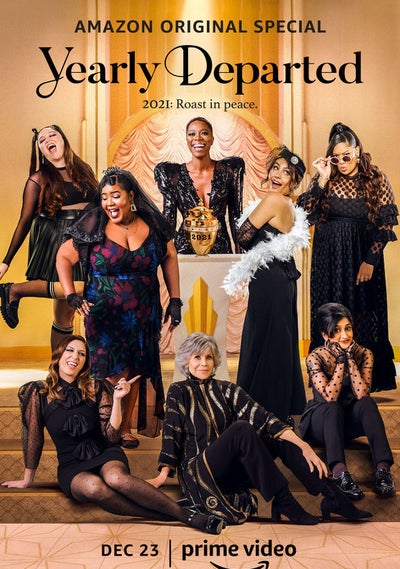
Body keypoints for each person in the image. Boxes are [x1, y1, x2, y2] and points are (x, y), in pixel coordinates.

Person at [1, 335, 225, 534]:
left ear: (85, 362)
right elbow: (34, 437)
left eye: (81, 354)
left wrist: (118, 400)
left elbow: (111, 436)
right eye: (70, 350)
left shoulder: (97, 388)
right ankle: (172, 512)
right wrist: (27, 479)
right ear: (58, 355)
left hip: (105, 452)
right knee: (95, 488)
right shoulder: (37, 392)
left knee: (115, 478)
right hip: (71, 464)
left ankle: (187, 516)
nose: (75, 357)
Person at [149, 333, 372, 525]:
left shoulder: (227, 389)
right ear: (186, 361)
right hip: (199, 471)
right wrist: (162, 475)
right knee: (241, 429)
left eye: (208, 357)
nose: (204, 363)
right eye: (197, 357)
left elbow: (263, 418)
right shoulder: (178, 391)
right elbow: (171, 433)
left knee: (277, 437)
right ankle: (283, 499)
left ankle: (332, 495)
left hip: (231, 472)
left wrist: (304, 445)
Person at [56, 167, 182, 449]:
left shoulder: (152, 224)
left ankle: (124, 428)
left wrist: (175, 299)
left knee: (134, 368)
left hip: (143, 312)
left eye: (115, 196)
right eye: (104, 197)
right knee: (106, 369)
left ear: (131, 196)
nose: (109, 203)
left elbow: (170, 256)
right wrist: (71, 295)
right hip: (103, 313)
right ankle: (101, 426)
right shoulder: (93, 224)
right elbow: (63, 257)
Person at [297, 122, 398, 391]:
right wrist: (321, 178)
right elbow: (304, 213)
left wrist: (370, 261)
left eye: (346, 156)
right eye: (336, 158)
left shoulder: (376, 178)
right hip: (328, 261)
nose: (342, 163)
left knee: (361, 315)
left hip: (360, 257)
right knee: (330, 313)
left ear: (357, 151)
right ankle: (328, 381)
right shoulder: (326, 179)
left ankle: (362, 382)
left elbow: (385, 223)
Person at [224, 145, 309, 423]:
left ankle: (259, 410)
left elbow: (242, 235)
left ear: (293, 182)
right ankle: (277, 409)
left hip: (270, 279)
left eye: (286, 173)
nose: (277, 175)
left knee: (263, 340)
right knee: (277, 341)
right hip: (280, 277)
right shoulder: (288, 204)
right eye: (275, 168)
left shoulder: (273, 200)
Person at [0, 125, 98, 350]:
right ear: (41, 150)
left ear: (63, 139)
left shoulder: (84, 169)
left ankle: (58, 369)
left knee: (65, 316)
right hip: (57, 237)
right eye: (42, 140)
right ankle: (15, 290)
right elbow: (24, 221)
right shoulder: (38, 179)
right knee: (79, 287)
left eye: (52, 135)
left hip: (87, 237)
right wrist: (6, 261)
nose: (47, 140)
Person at [299, 303, 395, 500]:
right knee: (333, 407)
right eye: (337, 330)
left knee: (367, 403)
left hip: (346, 422)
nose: (345, 335)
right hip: (321, 422)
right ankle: (339, 473)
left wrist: (350, 359)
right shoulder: (315, 357)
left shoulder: (364, 354)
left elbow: (362, 393)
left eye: (348, 328)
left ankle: (383, 470)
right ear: (325, 335)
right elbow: (330, 396)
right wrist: (340, 362)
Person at [154, 116, 244, 254]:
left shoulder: (228, 171)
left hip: (221, 251)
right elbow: (169, 219)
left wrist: (240, 257)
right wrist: (165, 256)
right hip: (184, 252)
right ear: (186, 139)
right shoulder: (173, 175)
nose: (197, 138)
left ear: (212, 139)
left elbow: (236, 215)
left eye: (204, 133)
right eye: (192, 134)